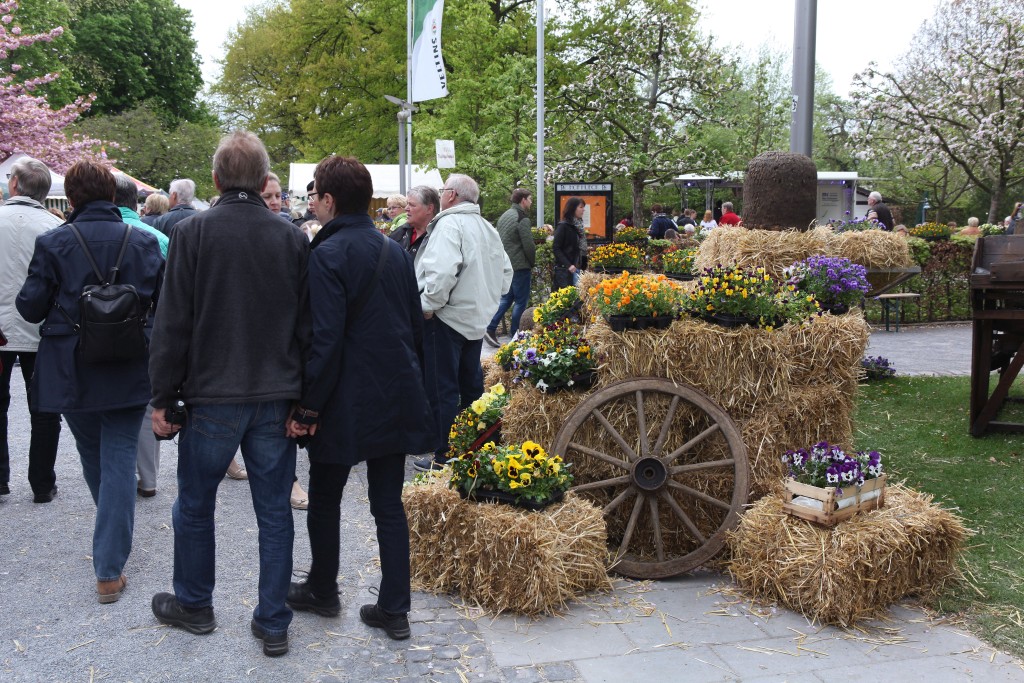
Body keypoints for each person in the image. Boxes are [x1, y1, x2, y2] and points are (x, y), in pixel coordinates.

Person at [148, 131, 311, 658]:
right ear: (263, 181)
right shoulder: (290, 237)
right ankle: (273, 619)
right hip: (274, 394)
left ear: (216, 179)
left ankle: (195, 604)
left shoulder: (193, 233)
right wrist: (306, 401)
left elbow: (172, 321)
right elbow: (308, 327)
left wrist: (162, 396)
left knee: (195, 505)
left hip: (213, 393)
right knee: (274, 512)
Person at [284, 156, 434, 641]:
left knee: (326, 497)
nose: (312, 202)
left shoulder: (327, 253)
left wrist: (308, 406)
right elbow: (414, 329)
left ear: (329, 200)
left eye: (315, 196)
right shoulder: (394, 250)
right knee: (387, 503)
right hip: (394, 390)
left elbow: (324, 340)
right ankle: (395, 608)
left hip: (343, 398)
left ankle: (323, 588)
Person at [16, 160, 164, 602]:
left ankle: (109, 560)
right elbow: (165, 301)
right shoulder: (143, 240)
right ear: (114, 196)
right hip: (129, 361)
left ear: (72, 198)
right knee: (119, 455)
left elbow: (30, 307)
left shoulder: (54, 242)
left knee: (92, 451)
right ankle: (109, 563)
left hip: (71, 365)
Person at [412, 174, 512, 471]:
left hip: (446, 317)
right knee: (471, 386)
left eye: (443, 189)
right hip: (474, 317)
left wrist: (428, 305)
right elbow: (505, 275)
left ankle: (444, 455)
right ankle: (473, 449)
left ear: (452, 195)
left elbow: (442, 273)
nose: (441, 193)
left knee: (442, 388)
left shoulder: (449, 224)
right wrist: (486, 300)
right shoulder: (486, 227)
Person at [0, 158, 63, 502]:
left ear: (14, 185)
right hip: (41, 330)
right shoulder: (55, 228)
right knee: (44, 409)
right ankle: (42, 483)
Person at [112, 174, 169, 498]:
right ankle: (148, 478)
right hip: (148, 327)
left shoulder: (94, 232)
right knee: (148, 403)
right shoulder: (156, 238)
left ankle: (119, 471)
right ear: (136, 202)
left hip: (100, 331)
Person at [257, 170, 310, 510]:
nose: (276, 202)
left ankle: (289, 481)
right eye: (268, 196)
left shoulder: (292, 234)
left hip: (278, 349)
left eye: (279, 195)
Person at [484, 188, 535, 347]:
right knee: (520, 302)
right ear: (523, 200)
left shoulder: (504, 216)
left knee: (506, 298)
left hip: (506, 265)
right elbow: (528, 245)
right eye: (530, 199)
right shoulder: (522, 218)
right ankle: (515, 335)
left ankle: (490, 327)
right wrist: (531, 262)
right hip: (520, 266)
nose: (531, 202)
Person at [390, 186, 438, 257]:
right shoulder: (400, 232)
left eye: (412, 205)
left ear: (429, 209)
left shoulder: (440, 236)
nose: (406, 208)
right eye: (407, 204)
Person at [552, 197, 587, 289]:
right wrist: (569, 265)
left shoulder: (578, 226)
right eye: (581, 207)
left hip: (578, 268)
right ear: (573, 208)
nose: (583, 210)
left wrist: (584, 266)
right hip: (567, 270)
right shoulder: (563, 226)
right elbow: (556, 248)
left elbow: (581, 248)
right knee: (569, 296)